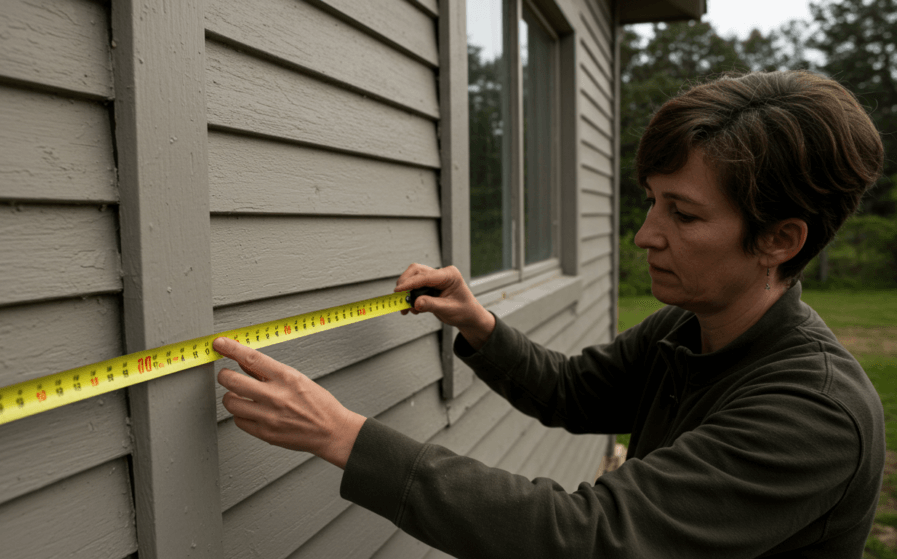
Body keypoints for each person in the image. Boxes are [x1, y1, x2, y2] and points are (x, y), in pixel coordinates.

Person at [214, 70, 886, 558]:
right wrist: (478, 324)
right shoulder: (691, 326)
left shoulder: (812, 411)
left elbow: (588, 537)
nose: (645, 235)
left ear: (779, 240)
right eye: (651, 202)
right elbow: (571, 389)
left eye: (682, 213)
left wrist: (344, 435)